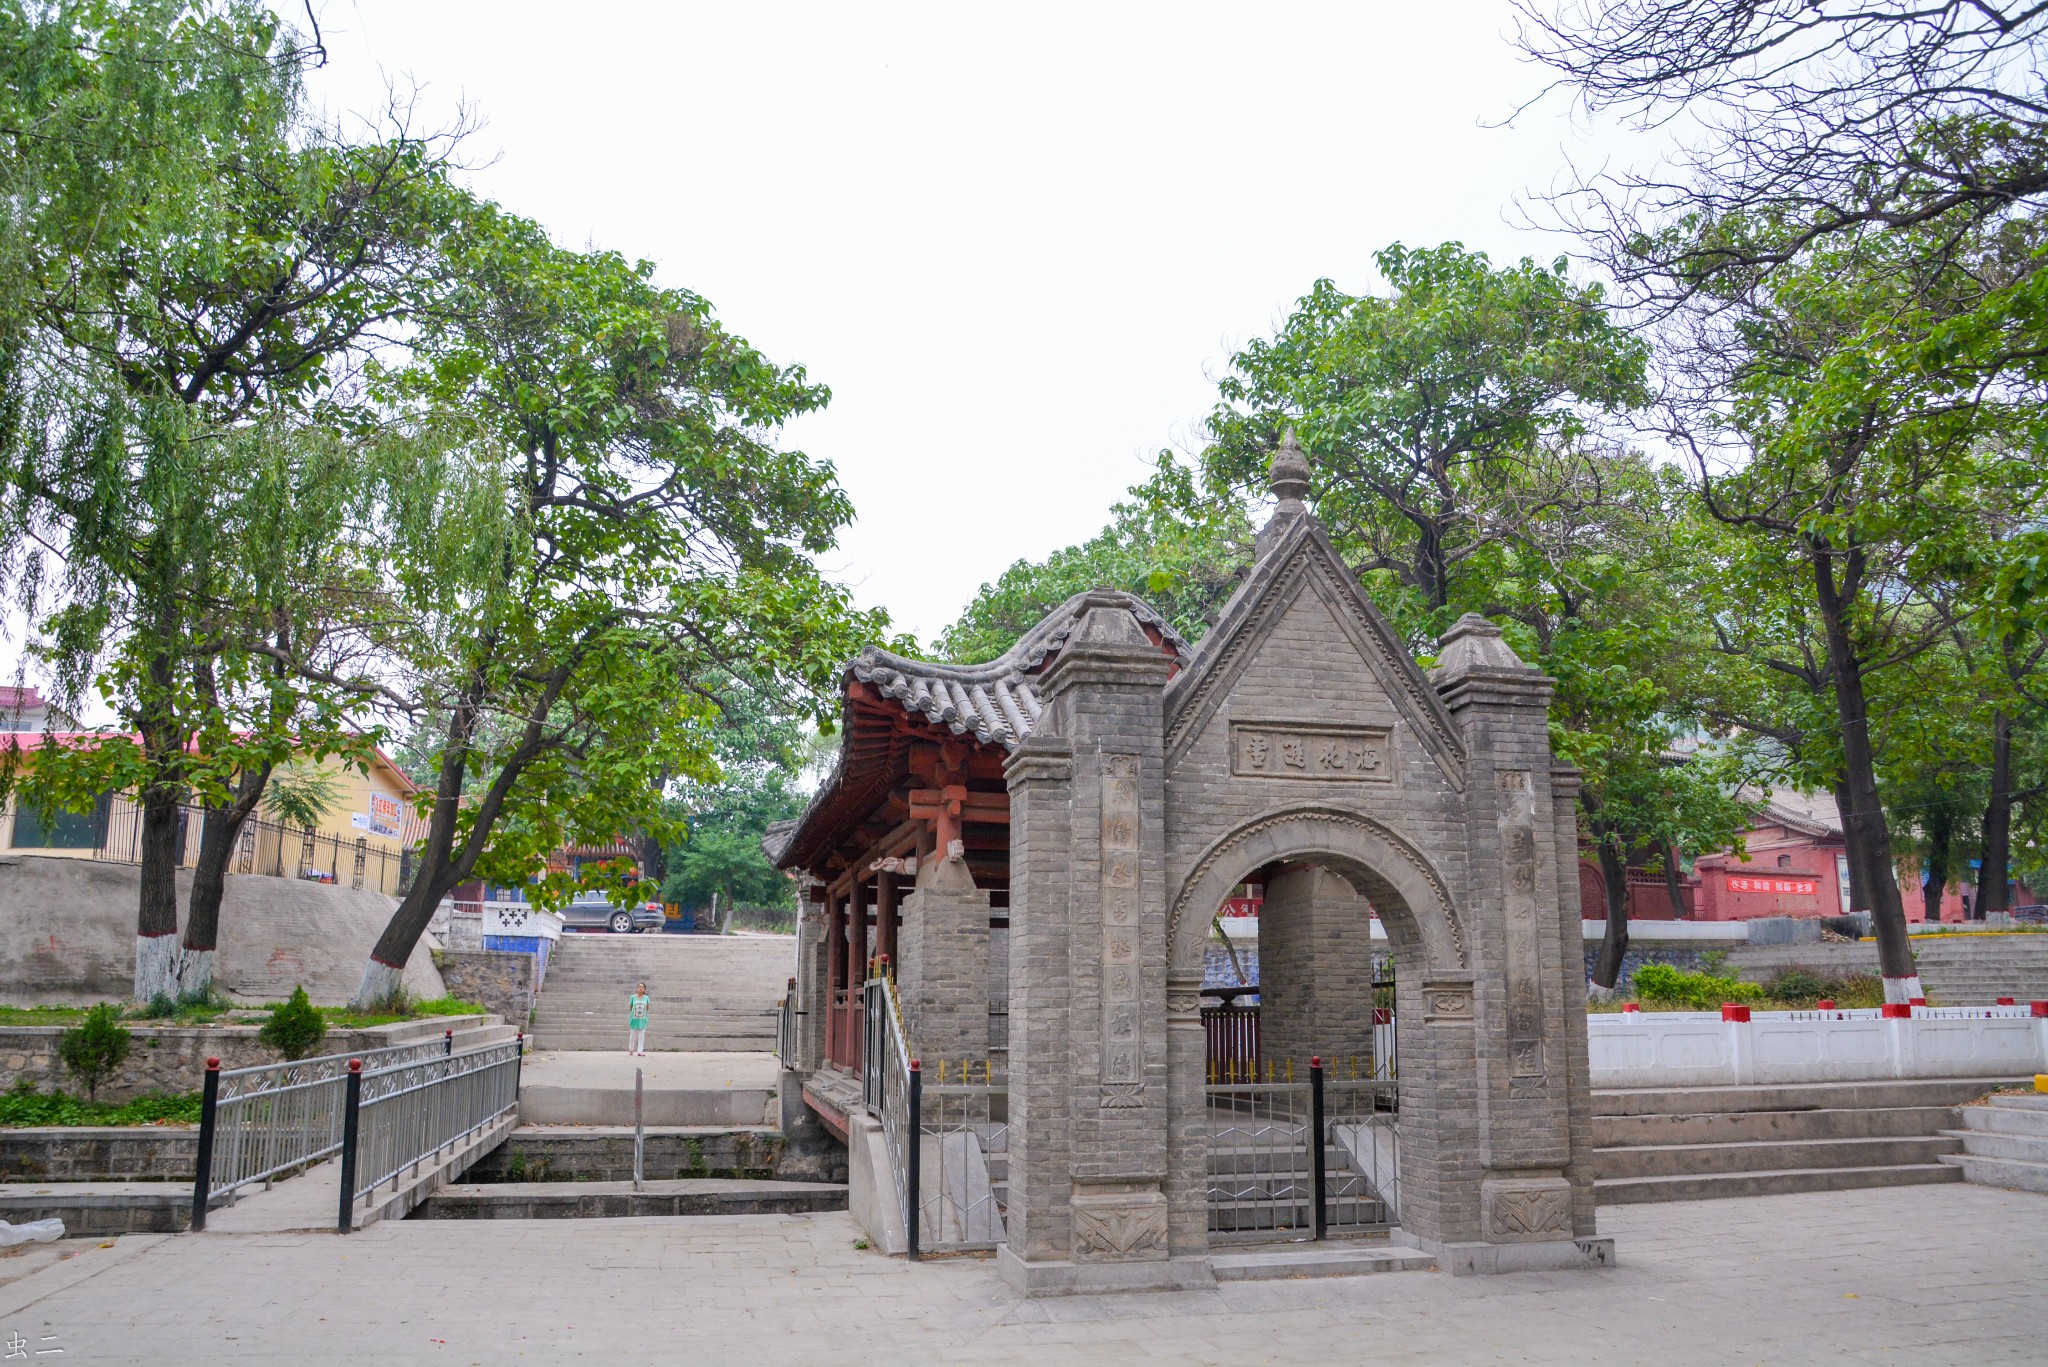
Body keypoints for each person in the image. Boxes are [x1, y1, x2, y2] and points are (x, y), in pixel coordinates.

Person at [627, 982, 650, 1056]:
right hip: (634, 1019)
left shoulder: (646, 998)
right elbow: (631, 1007)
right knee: (632, 1036)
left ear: (644, 989)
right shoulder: (633, 997)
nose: (640, 988)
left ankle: (640, 1051)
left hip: (642, 1020)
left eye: (642, 987)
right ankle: (631, 1049)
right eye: (639, 986)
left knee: (641, 1037)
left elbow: (647, 1008)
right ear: (637, 988)